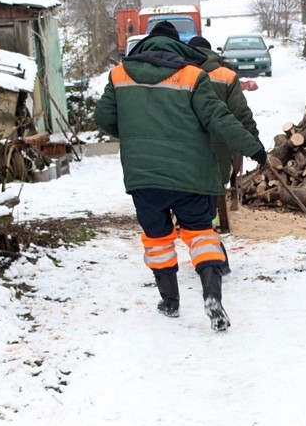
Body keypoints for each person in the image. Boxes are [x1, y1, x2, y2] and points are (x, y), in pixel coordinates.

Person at [94, 21, 267, 332]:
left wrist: (138, 135)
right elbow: (219, 118)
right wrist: (254, 149)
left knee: (157, 239)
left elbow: (104, 118)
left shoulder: (119, 75)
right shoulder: (192, 76)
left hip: (144, 177)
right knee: (201, 234)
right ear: (179, 47)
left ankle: (170, 301)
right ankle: (212, 296)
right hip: (192, 176)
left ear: (146, 44)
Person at [187, 35, 259, 275]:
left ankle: (211, 256)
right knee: (212, 200)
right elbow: (241, 114)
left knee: (197, 209)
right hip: (221, 151)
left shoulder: (180, 76)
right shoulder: (226, 76)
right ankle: (214, 253)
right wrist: (254, 144)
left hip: (188, 151)